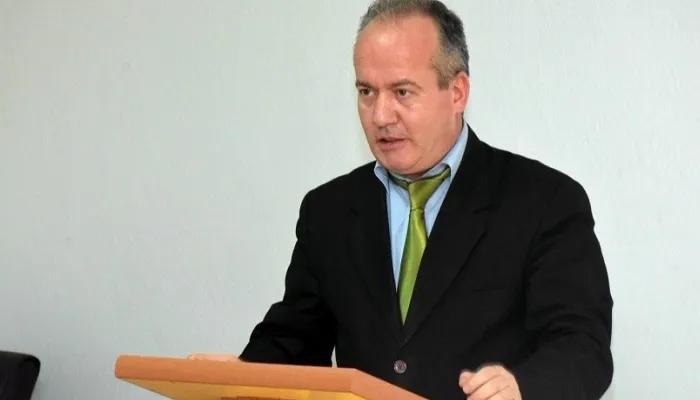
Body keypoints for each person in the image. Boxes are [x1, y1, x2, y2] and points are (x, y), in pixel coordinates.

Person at [190, 1, 614, 399]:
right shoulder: (329, 211)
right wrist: (242, 375)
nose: (380, 116)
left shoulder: (543, 201)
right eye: (366, 92)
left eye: (402, 92)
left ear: (457, 92)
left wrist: (522, 387)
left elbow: (583, 346)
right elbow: (296, 339)